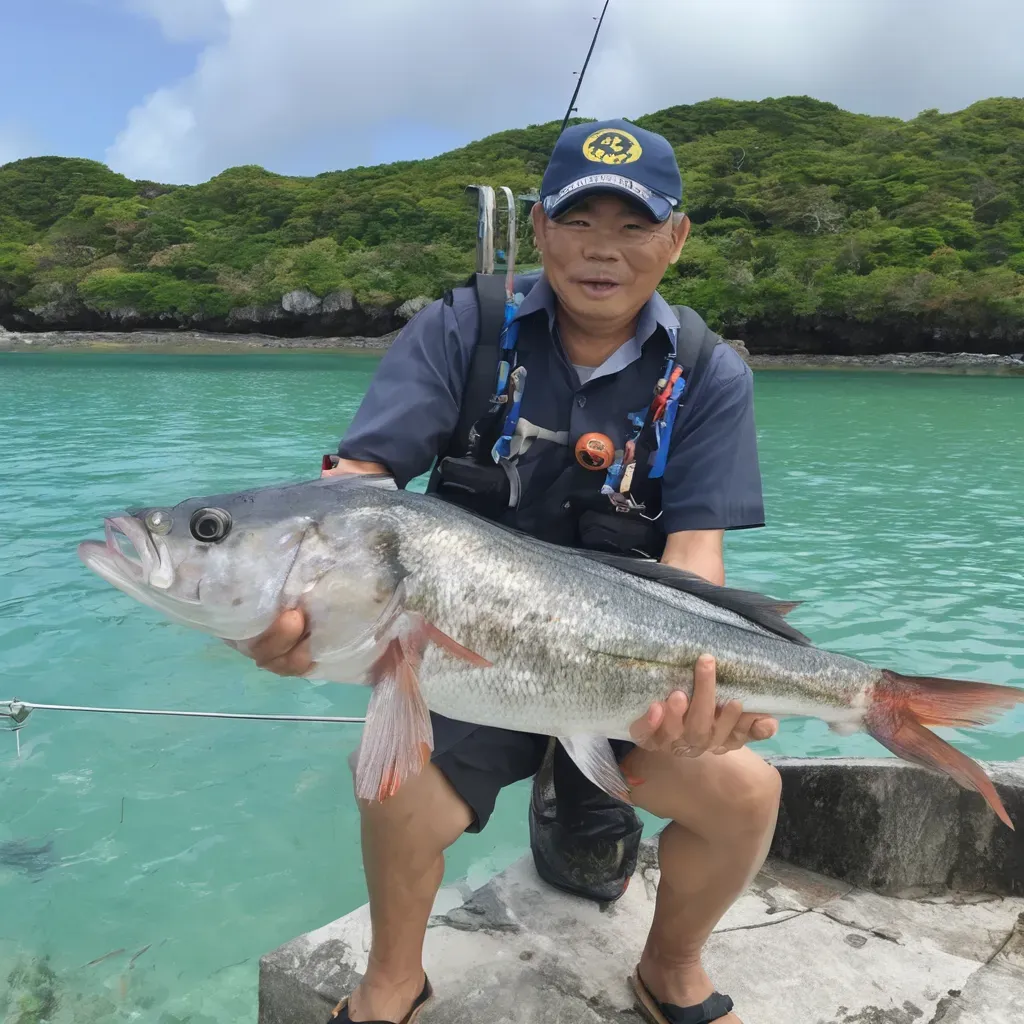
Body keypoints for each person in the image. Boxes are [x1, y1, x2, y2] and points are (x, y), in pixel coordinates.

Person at [237, 119, 782, 1024]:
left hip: (621, 677)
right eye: (578, 220)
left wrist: (702, 693)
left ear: (675, 239)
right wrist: (298, 589)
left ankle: (670, 966)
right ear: (539, 230)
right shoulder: (464, 329)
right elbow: (365, 486)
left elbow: (694, 557)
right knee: (392, 784)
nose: (603, 249)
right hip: (462, 663)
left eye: (635, 225)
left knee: (745, 796)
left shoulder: (706, 373)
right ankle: (392, 983)